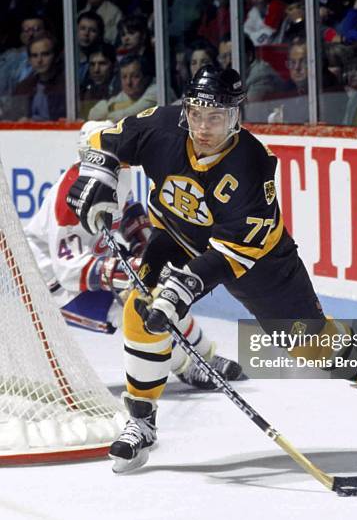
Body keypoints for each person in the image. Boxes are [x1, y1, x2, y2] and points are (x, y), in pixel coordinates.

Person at [66, 65, 357, 473]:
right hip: (177, 237)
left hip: (259, 261)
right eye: (197, 113)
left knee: (304, 340)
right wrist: (96, 176)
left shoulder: (252, 164)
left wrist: (180, 292)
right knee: (141, 312)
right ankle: (141, 423)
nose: (203, 127)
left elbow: (230, 253)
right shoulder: (162, 126)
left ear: (236, 116)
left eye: (216, 117)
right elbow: (101, 140)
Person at [26, 120, 239, 391]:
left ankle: (206, 355)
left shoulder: (110, 174)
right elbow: (70, 270)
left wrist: (150, 257)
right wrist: (129, 271)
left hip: (94, 259)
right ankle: (185, 366)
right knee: (138, 310)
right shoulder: (71, 198)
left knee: (163, 292)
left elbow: (130, 217)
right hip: (52, 285)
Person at [10, 33, 65, 121]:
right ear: (29, 59)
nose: (39, 60)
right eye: (34, 56)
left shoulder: (67, 87)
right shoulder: (23, 87)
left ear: (56, 56)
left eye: (45, 54)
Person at [88, 54, 159, 122]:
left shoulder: (157, 91)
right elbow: (93, 115)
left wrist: (112, 111)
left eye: (135, 76)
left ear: (146, 78)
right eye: (124, 77)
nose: (128, 82)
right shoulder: (127, 94)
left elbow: (127, 116)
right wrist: (112, 108)